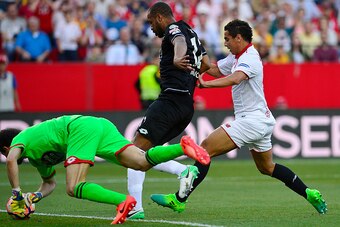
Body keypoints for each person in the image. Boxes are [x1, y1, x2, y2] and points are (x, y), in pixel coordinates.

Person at [151, 19, 327, 215]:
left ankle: (179, 199)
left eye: (227, 39)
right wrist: (197, 57)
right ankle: (309, 193)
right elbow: (216, 69)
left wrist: (206, 85)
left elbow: (236, 78)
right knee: (267, 167)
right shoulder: (236, 57)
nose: (224, 43)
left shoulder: (250, 57)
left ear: (239, 38)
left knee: (205, 149)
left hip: (251, 120)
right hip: (260, 119)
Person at [0, 115, 210, 224]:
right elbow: (49, 183)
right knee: (141, 162)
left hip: (78, 129)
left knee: (74, 187)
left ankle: (122, 201)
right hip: (99, 125)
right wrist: (33, 197)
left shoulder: (21, 138)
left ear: (6, 147)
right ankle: (181, 147)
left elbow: (10, 161)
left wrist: (17, 194)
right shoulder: (38, 159)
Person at [126, 1, 211, 220]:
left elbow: (178, 41)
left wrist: (176, 57)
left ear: (160, 17)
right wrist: (192, 74)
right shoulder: (193, 32)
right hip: (185, 107)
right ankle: (184, 171)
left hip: (169, 101)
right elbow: (207, 64)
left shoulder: (175, 30)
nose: (151, 28)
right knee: (148, 153)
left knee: (133, 154)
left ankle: (134, 208)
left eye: (151, 22)